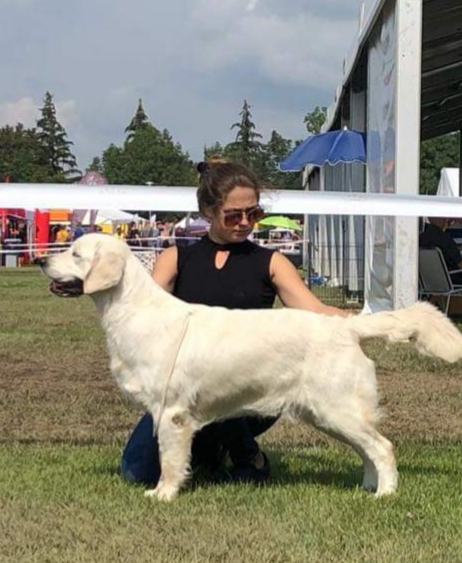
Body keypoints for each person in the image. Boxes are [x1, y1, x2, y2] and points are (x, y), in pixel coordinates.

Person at [120, 160, 347, 488]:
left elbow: (314, 310)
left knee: (224, 382)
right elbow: (145, 314)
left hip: (251, 392)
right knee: (136, 473)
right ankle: (207, 451)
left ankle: (249, 456)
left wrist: (368, 324)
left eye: (253, 214)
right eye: (233, 215)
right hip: (183, 390)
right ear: (207, 211)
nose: (245, 223)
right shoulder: (175, 259)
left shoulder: (272, 262)